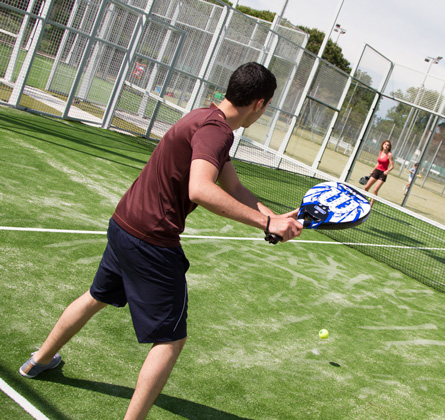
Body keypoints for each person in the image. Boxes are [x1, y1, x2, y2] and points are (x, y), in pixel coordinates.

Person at [18, 62, 303, 420]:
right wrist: (265, 222)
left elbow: (234, 187)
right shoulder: (217, 132)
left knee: (96, 297)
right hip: (151, 239)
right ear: (260, 104)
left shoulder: (205, 117)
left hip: (124, 223)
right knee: (170, 340)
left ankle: (38, 361)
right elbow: (200, 189)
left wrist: (273, 218)